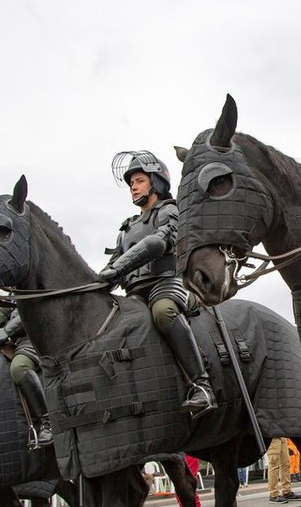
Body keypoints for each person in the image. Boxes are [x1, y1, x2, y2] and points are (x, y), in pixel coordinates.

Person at [98, 150, 215, 417]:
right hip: (134, 294)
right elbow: (113, 262)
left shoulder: (169, 210)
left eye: (138, 180)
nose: (133, 187)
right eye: (131, 184)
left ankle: (202, 385)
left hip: (166, 283)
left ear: (156, 182)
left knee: (163, 312)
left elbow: (160, 241)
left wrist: (117, 269)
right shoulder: (127, 227)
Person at [0, 307, 53, 446]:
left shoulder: (31, 286)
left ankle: (48, 422)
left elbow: (31, 308)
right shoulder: (11, 294)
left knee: (19, 368)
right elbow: (0, 315)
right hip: (17, 343)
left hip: (37, 340)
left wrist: (7, 331)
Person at [264, 438, 301, 503]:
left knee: (286, 463)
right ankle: (273, 495)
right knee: (274, 464)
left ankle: (287, 492)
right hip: (272, 436)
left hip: (282, 435)